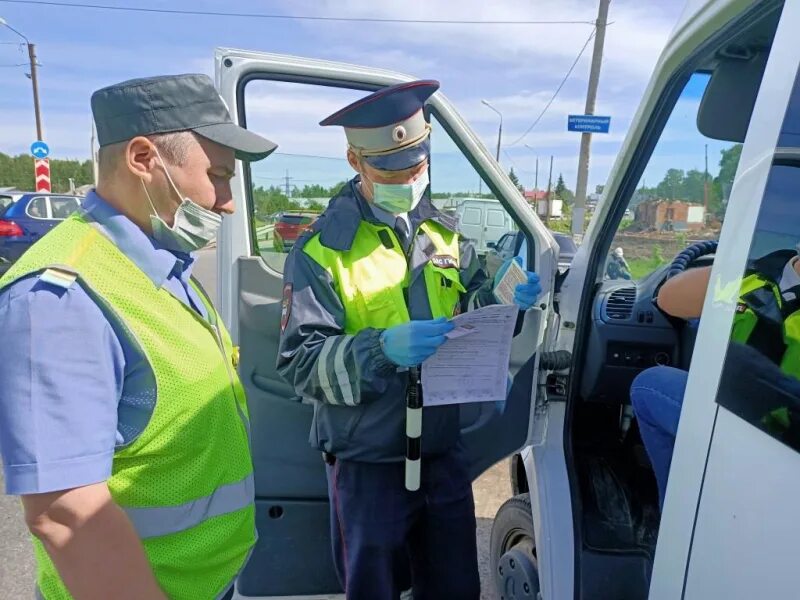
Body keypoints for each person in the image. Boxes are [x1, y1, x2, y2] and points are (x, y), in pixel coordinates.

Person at [0, 74, 276, 600]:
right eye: (217, 175)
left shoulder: (163, 264)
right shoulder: (58, 300)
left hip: (204, 582)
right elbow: (66, 514)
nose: (227, 202)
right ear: (144, 158)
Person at [277, 80, 541, 600]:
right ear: (356, 160)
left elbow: (467, 312)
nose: (407, 179)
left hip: (442, 452)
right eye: (391, 170)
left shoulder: (444, 234)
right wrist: (381, 348)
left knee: (456, 586)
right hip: (368, 462)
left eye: (416, 166)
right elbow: (301, 363)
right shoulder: (321, 249)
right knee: (372, 590)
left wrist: (506, 301)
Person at [632, 246, 800, 506]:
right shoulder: (757, 276)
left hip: (779, 441)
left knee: (649, 387)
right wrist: (740, 261)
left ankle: (676, 517)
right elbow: (669, 299)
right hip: (736, 416)